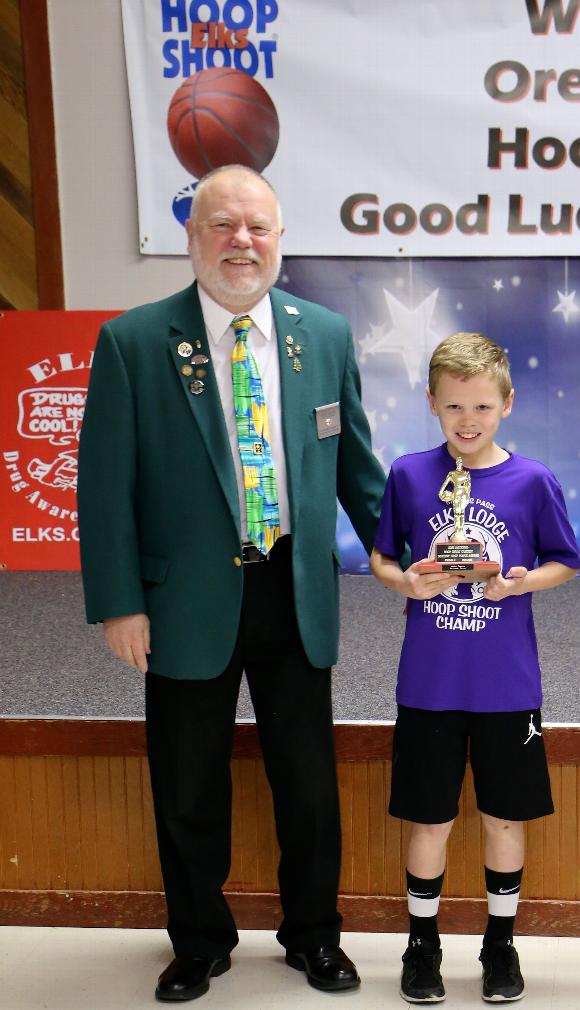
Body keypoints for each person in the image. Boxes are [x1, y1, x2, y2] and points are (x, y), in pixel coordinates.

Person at [78, 165, 385, 1002]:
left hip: (294, 589)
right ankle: (199, 942)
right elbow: (104, 486)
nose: (241, 242)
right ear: (192, 236)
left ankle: (314, 936)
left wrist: (401, 550)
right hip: (183, 600)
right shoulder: (135, 341)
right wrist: (119, 602)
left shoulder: (323, 335)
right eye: (223, 225)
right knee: (188, 782)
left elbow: (355, 465)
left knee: (308, 783)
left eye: (257, 227)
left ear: (280, 239)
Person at [369, 332, 580, 1004]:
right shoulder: (408, 474)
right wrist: (405, 583)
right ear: (432, 402)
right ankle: (421, 945)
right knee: (429, 821)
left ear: (507, 404)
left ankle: (500, 943)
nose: (468, 420)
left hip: (506, 685)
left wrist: (521, 583)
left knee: (504, 819)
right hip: (429, 683)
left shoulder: (533, 480)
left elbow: (566, 561)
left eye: (483, 407)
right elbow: (381, 557)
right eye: (455, 406)